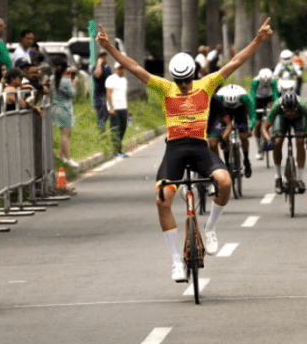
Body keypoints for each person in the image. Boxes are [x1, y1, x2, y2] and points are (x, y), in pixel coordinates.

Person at [95, 19, 273, 283]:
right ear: (174, 78)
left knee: (224, 181)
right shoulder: (165, 88)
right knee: (162, 200)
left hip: (200, 148)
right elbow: (134, 67)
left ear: (193, 75)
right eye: (179, 81)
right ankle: (176, 261)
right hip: (175, 150)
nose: (184, 85)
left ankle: (210, 228)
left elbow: (235, 62)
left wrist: (258, 39)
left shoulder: (206, 84)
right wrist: (109, 47)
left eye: (187, 80)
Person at [262, 90, 307, 194]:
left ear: (297, 107)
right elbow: (264, 127)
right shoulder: (277, 106)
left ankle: (300, 179)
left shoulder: (303, 106)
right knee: (277, 141)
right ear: (282, 108)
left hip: (299, 118)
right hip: (281, 118)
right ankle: (278, 178)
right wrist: (269, 140)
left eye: (293, 110)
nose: (290, 114)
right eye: (287, 111)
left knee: (300, 141)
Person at [218, 83, 254, 178]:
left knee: (243, 136)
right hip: (225, 111)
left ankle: (246, 161)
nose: (232, 106)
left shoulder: (244, 97)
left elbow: (253, 115)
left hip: (240, 110)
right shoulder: (219, 97)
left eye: (233, 104)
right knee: (224, 136)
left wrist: (250, 128)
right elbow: (215, 116)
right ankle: (227, 163)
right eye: (230, 104)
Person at [53, 61, 78, 167]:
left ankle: (61, 156)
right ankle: (67, 158)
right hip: (65, 109)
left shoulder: (53, 78)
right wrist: (75, 83)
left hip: (56, 108)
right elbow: (72, 94)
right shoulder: (66, 81)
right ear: (65, 70)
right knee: (66, 134)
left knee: (64, 134)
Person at [250, 68, 279, 159]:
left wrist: (275, 108)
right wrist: (253, 112)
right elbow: (252, 98)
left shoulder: (273, 81)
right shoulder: (255, 82)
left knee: (274, 112)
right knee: (258, 124)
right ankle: (259, 149)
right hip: (258, 99)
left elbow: (275, 96)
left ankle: (274, 131)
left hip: (269, 98)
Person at [106, 61, 130, 158]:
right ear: (115, 70)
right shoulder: (111, 79)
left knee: (123, 128)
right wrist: (111, 107)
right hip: (115, 109)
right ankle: (116, 151)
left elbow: (124, 95)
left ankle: (119, 149)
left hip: (123, 108)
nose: (121, 70)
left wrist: (127, 109)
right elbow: (108, 93)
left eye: (123, 68)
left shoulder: (124, 80)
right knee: (116, 129)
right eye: (119, 68)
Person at [92, 51, 112, 133]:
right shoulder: (95, 68)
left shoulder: (107, 68)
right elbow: (97, 75)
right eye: (101, 56)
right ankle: (101, 133)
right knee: (101, 117)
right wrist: (99, 64)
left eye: (104, 56)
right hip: (99, 96)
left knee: (106, 115)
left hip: (107, 96)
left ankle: (105, 133)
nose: (103, 58)